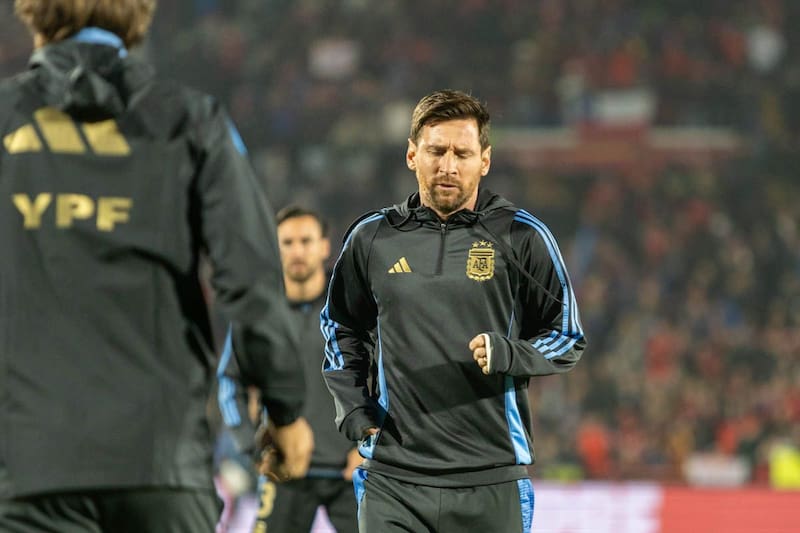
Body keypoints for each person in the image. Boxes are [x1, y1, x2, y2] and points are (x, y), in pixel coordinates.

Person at [0, 2, 312, 532]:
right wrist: (285, 411)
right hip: (160, 464)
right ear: (140, 12)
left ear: (30, 10)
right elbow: (251, 279)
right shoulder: (193, 120)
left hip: (29, 470)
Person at [321, 89, 587, 532]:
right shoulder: (372, 238)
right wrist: (353, 407)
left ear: (484, 160)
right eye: (436, 151)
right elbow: (340, 325)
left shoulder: (521, 236)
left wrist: (509, 354)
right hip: (394, 479)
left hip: (491, 478)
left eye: (461, 153)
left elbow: (567, 334)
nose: (447, 166)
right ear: (412, 155)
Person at [219, 206, 360, 533]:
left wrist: (373, 446)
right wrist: (251, 448)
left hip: (350, 472)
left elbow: (389, 377)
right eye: (288, 242)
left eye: (306, 241)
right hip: (285, 473)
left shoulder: (355, 308)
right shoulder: (257, 313)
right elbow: (229, 382)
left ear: (325, 247)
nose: (297, 250)